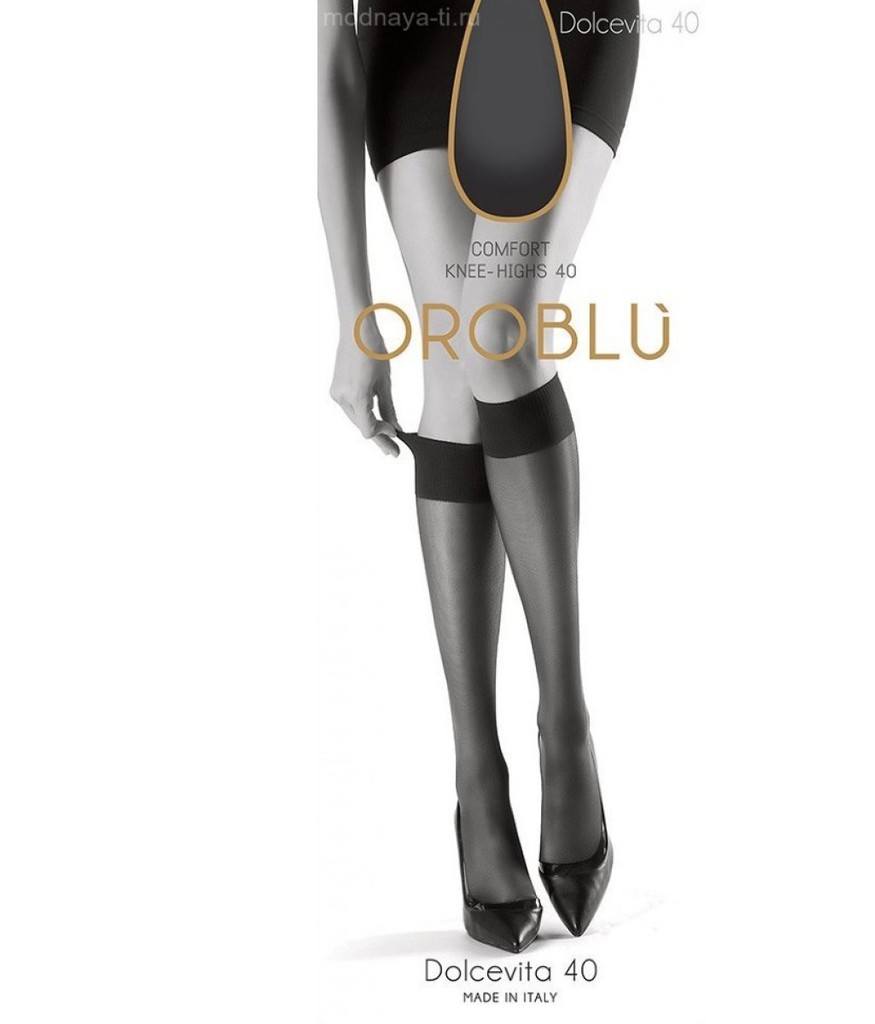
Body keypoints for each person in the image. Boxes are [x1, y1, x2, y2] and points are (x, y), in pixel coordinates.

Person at [318, 0, 639, 953]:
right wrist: (353, 315)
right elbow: (334, 52)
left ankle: (565, 728)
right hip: (415, 37)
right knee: (455, 375)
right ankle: (477, 775)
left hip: (557, 21)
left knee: (497, 328)